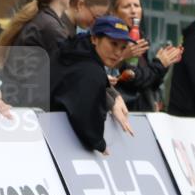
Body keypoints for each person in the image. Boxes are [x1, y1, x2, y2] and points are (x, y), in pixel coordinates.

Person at [0, 0, 82, 108]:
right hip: (29, 107)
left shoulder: (43, 21)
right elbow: (74, 65)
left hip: (24, 103)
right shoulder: (49, 26)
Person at [50, 16, 134, 154]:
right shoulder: (92, 71)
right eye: (113, 44)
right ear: (94, 39)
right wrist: (99, 144)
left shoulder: (72, 50)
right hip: (57, 143)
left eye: (123, 47)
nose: (118, 53)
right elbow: (86, 120)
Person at [111, 0, 182, 112]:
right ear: (114, 13)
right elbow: (134, 79)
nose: (133, 10)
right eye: (127, 6)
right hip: (124, 110)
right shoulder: (114, 39)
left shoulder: (140, 37)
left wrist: (164, 63)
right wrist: (159, 65)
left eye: (136, 5)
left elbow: (148, 80)